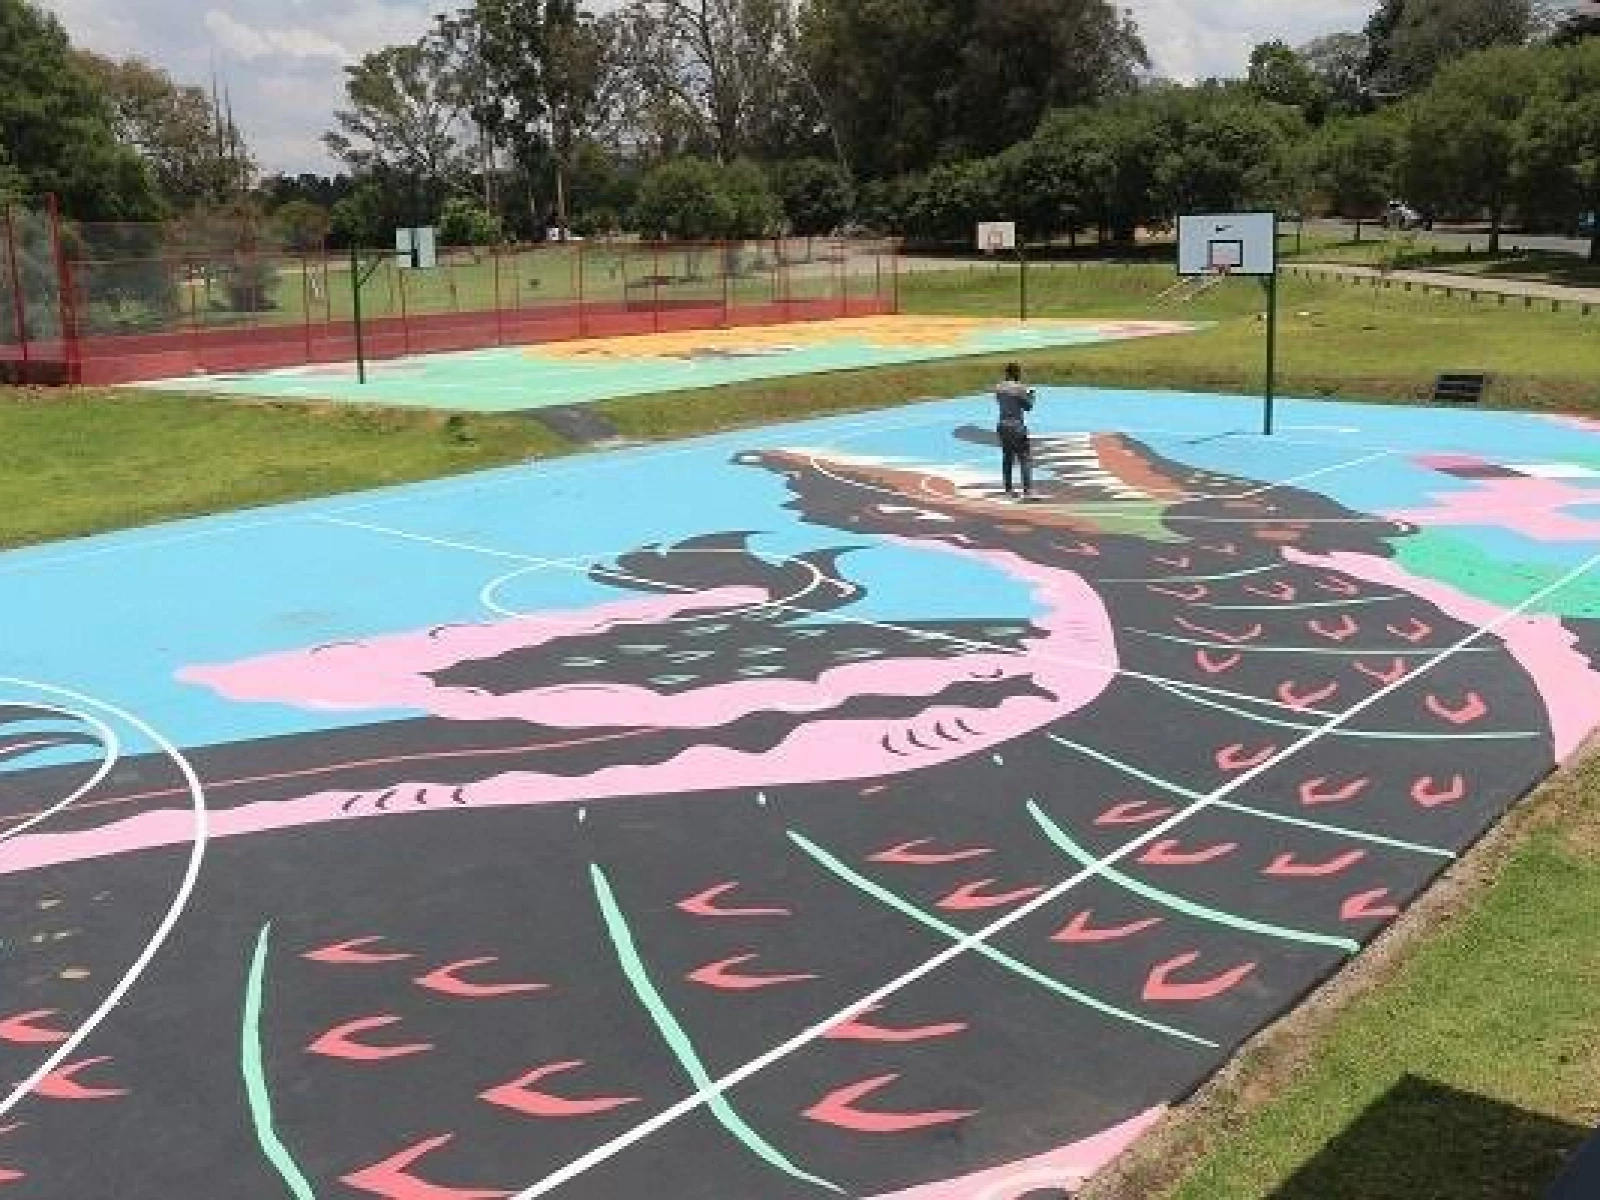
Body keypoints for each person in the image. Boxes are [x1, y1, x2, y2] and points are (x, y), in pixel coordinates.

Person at [994, 362, 1036, 499]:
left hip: (1002, 424)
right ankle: (1028, 491)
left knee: (1007, 458)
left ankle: (1008, 490)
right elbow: (1028, 407)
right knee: (1024, 457)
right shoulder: (1019, 388)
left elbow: (1000, 400)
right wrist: (1032, 395)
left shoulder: (999, 387)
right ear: (1017, 373)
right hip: (1016, 425)